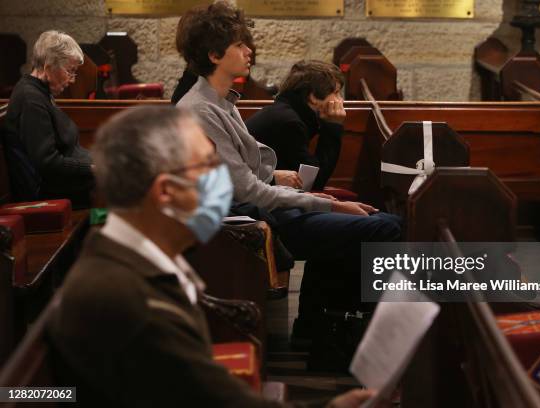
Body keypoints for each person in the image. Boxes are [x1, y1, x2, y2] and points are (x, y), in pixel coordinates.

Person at [48, 105, 379, 407]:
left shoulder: (127, 258)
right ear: (165, 191)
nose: (221, 182)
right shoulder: (128, 301)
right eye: (208, 167)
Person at [176, 2, 402, 344]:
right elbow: (247, 192)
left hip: (264, 210)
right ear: (214, 55)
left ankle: (321, 329)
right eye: (239, 45)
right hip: (246, 221)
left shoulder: (221, 101)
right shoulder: (200, 109)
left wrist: (308, 195)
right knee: (384, 227)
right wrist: (326, 204)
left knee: (376, 224)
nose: (249, 50)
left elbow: (251, 175)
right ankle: (346, 334)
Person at [3, 30, 94, 207]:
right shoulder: (31, 99)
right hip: (48, 192)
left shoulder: (40, 92)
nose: (72, 80)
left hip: (63, 183)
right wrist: (91, 168)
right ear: (48, 66)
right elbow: (47, 163)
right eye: (70, 71)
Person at [247, 60, 345, 190]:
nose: (341, 100)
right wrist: (333, 126)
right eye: (336, 92)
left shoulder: (286, 112)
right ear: (313, 97)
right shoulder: (289, 123)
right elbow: (312, 182)